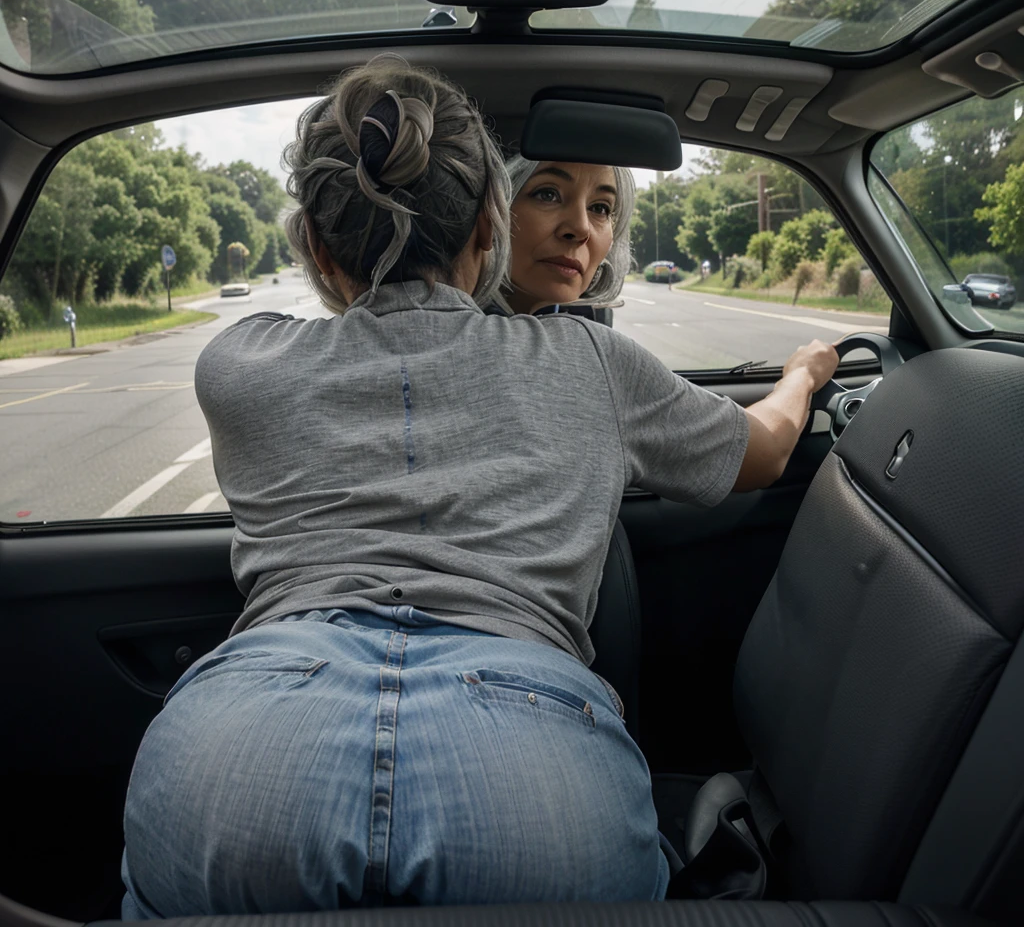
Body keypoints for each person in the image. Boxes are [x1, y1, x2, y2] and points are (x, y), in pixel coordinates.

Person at [120, 55, 839, 917]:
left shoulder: (237, 365)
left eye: (599, 208)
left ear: (314, 242)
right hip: (533, 773)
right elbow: (760, 452)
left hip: (240, 753)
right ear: (489, 232)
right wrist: (802, 373)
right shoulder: (592, 366)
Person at [498, 153, 634, 316]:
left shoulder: (591, 329)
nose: (581, 228)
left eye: (599, 208)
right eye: (548, 195)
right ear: (496, 206)